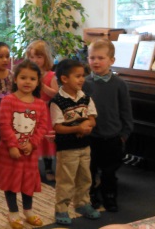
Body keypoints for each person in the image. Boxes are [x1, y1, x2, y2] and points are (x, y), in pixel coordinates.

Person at [0, 60, 48, 229]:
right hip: (10, 152)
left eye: (32, 79)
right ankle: (13, 212)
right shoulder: (8, 101)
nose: (27, 82)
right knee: (11, 182)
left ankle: (28, 211)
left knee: (28, 181)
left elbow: (42, 126)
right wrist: (13, 146)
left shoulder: (40, 104)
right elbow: (4, 124)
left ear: (37, 82)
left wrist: (32, 144)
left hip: (29, 153)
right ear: (15, 79)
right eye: (23, 77)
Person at [83, 39, 133, 213]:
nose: (95, 62)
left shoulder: (120, 85)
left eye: (100, 58)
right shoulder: (84, 83)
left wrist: (124, 135)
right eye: (92, 57)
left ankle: (109, 196)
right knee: (89, 170)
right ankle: (91, 196)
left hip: (112, 137)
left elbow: (126, 112)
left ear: (111, 60)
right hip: (91, 136)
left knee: (109, 172)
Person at [50, 59, 100, 225]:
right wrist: (77, 129)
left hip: (85, 146)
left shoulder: (85, 98)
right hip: (67, 148)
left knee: (85, 177)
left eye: (82, 76)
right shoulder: (58, 101)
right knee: (66, 180)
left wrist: (86, 124)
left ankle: (82, 203)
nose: (81, 79)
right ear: (64, 79)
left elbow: (92, 118)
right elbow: (58, 127)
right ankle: (62, 208)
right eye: (77, 76)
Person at [26, 40, 58, 181]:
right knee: (32, 138)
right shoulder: (28, 74)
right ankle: (33, 169)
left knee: (46, 139)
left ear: (46, 58)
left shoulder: (51, 75)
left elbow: (56, 94)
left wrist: (42, 85)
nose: (35, 60)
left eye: (39, 57)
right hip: (32, 110)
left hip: (46, 110)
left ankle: (49, 167)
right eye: (32, 57)